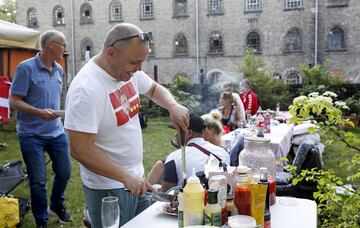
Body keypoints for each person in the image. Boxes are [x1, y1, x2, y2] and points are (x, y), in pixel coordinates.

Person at [64, 23, 189, 227]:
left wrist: (172, 106)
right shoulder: (86, 89)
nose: (139, 69)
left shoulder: (128, 70)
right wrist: (125, 176)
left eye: (142, 61)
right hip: (107, 187)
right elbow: (80, 150)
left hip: (136, 179)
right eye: (135, 62)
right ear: (111, 53)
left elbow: (154, 89)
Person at [9, 30, 72, 228]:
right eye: (63, 44)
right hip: (31, 134)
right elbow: (14, 101)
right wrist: (38, 112)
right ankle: (41, 221)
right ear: (51, 45)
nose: (65, 48)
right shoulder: (25, 69)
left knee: (64, 172)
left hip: (56, 132)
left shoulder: (59, 69)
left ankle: (56, 205)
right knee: (38, 182)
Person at [160, 114, 230, 192]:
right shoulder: (223, 152)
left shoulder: (174, 157)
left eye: (178, 131)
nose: (175, 135)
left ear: (189, 133)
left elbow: (166, 194)